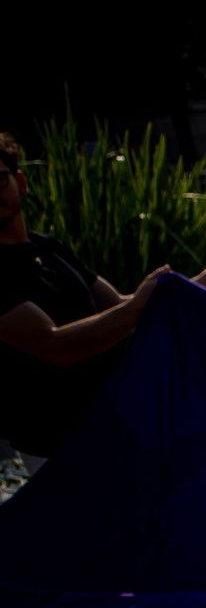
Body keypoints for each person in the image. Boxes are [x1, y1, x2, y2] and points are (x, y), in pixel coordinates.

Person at [0, 131, 171, 460]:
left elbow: (118, 303)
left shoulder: (48, 248)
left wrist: (195, 287)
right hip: (57, 448)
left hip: (116, 424)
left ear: (20, 182)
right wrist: (139, 305)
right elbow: (56, 345)